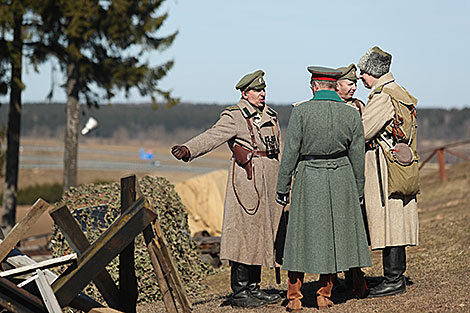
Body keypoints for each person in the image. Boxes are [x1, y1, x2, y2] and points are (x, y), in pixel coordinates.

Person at [171, 70, 283, 308]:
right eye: (256, 90)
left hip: (270, 181)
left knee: (261, 233)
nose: (262, 94)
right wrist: (189, 149)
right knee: (243, 233)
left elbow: (278, 148)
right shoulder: (235, 116)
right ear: (245, 93)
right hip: (247, 183)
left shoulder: (270, 115)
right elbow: (212, 136)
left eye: (263, 90)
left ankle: (254, 287)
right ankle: (240, 291)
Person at [276, 66, 371, 311]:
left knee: (299, 237)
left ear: (314, 86)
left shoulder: (301, 112)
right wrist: (358, 189)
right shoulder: (351, 114)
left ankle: (295, 297)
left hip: (309, 176)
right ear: (333, 86)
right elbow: (357, 156)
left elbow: (291, 151)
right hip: (342, 177)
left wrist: (283, 185)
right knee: (332, 237)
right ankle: (323, 296)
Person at [357, 46, 419, 297]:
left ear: (373, 72)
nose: (360, 77)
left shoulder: (382, 96)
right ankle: (395, 276)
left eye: (363, 72)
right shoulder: (400, 91)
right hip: (400, 164)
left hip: (383, 166)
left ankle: (393, 279)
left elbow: (363, 132)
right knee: (396, 220)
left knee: (389, 221)